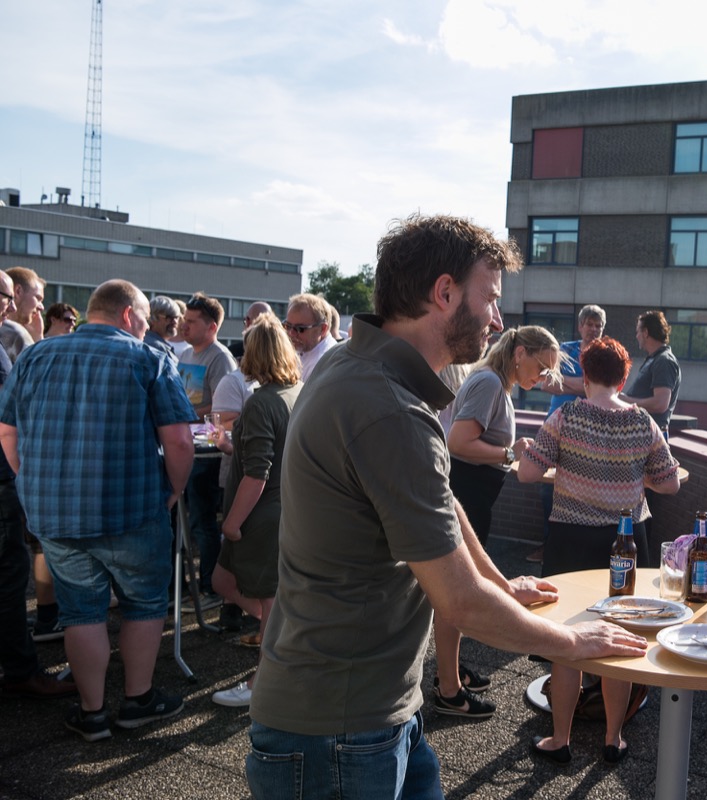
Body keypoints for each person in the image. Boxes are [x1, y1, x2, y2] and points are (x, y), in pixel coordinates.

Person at [245, 213, 646, 799]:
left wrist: (502, 585)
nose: (497, 319)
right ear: (444, 293)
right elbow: (459, 602)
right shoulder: (388, 407)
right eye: (491, 298)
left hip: (376, 712)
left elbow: (444, 501)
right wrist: (572, 644)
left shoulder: (359, 368)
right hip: (338, 731)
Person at [0, 280, 194, 742]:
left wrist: (32, 482)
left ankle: (92, 713)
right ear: (128, 314)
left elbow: (7, 432)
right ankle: (137, 699)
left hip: (56, 514)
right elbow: (180, 441)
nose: (146, 328)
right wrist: (174, 490)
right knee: (143, 604)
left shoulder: (34, 356)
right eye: (144, 320)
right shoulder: (148, 358)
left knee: (80, 612)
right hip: (132, 508)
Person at [518, 335, 680, 766]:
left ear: (585, 376)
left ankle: (561, 739)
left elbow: (528, 474)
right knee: (617, 638)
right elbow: (670, 483)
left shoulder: (566, 416)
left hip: (572, 541)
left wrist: (525, 451)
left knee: (567, 641)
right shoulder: (642, 422)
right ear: (623, 379)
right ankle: (613, 738)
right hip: (626, 542)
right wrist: (633, 476)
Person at [436, 325, 561, 719]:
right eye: (541, 367)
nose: (542, 378)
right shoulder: (490, 383)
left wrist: (510, 451)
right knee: (455, 593)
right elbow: (458, 442)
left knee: (453, 591)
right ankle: (448, 688)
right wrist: (510, 453)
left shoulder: (494, 382)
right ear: (520, 353)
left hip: (473, 492)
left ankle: (451, 673)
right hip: (469, 492)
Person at [210, 318, 302, 707]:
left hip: (262, 515)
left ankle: (262, 684)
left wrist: (232, 523)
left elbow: (257, 473)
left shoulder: (263, 401)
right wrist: (231, 445)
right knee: (223, 581)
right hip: (281, 509)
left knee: (269, 602)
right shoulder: (295, 392)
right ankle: (289, 635)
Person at [0, 267, 76, 700]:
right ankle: (20, 670)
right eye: (6, 296)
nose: (11, 305)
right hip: (4, 477)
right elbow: (15, 414)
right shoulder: (10, 340)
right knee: (10, 575)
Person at [529, 304, 606, 563]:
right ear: (580, 326)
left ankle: (574, 549)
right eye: (589, 324)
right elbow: (546, 383)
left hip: (588, 431)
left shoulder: (604, 355)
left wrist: (567, 384)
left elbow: (602, 390)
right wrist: (584, 386)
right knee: (546, 488)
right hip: (555, 425)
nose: (593, 329)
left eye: (598, 326)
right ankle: (548, 544)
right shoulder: (565, 350)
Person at [178, 293, 237, 603]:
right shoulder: (186, 354)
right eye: (184, 319)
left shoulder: (220, 358)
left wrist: (185, 414)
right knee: (187, 523)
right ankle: (186, 586)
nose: (183, 325)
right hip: (186, 447)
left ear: (212, 327)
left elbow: (222, 408)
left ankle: (210, 587)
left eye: (191, 321)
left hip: (208, 453)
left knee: (203, 523)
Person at [621, 310, 680, 434]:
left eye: (638, 331)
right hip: (643, 434)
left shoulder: (664, 361)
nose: (636, 336)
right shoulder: (655, 359)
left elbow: (660, 404)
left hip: (652, 435)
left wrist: (626, 400)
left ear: (646, 333)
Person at [283, 293, 338, 381]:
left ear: (322, 329)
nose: (291, 333)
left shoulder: (325, 363)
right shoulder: (304, 347)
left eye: (300, 329)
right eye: (287, 326)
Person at [0, 267, 45, 363]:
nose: (41, 307)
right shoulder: (16, 334)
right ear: (18, 291)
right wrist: (38, 340)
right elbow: (38, 369)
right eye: (38, 298)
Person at [145, 296, 181, 364]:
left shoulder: (142, 340)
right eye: (169, 317)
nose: (175, 322)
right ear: (153, 318)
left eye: (176, 317)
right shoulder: (158, 348)